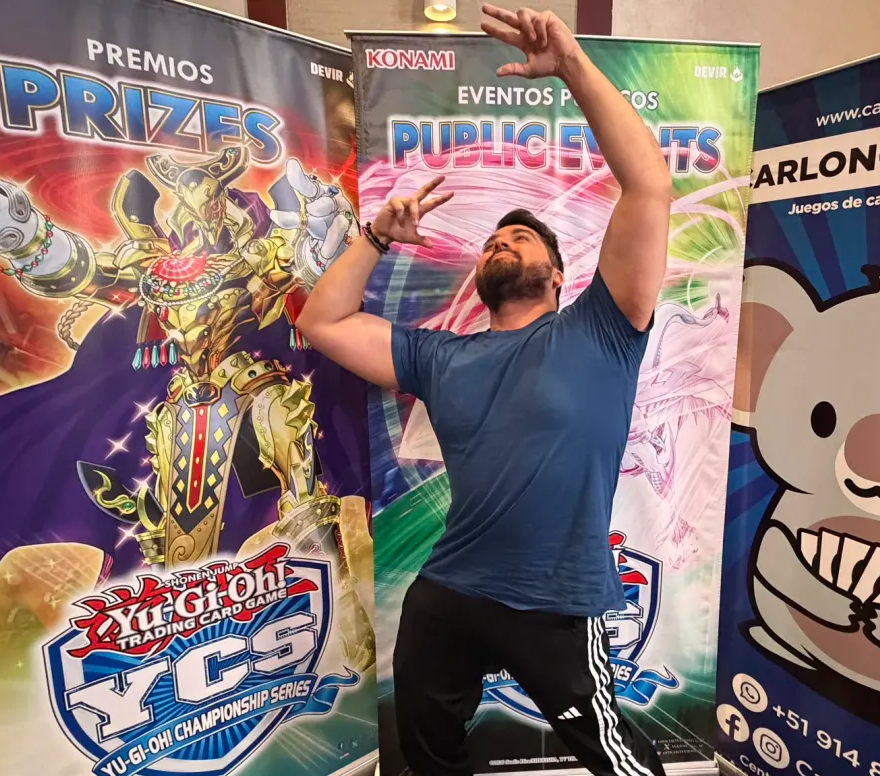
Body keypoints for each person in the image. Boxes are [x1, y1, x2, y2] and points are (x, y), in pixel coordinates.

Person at [296, 6, 671, 775]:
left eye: (521, 238)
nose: (502, 241)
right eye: (494, 241)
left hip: (555, 603)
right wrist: (375, 236)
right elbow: (323, 323)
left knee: (620, 764)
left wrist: (573, 67)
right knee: (427, 754)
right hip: (449, 591)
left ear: (557, 275)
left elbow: (648, 184)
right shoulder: (441, 355)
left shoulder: (602, 328)